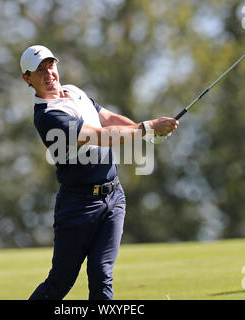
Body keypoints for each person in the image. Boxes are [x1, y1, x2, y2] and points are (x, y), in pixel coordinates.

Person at [21, 45, 178, 300]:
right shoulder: (48, 117)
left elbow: (108, 119)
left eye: (50, 65)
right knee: (60, 282)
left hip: (114, 197)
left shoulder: (73, 92)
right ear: (27, 78)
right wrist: (147, 128)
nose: (48, 73)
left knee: (101, 273)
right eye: (39, 70)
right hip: (78, 207)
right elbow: (100, 136)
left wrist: (147, 135)